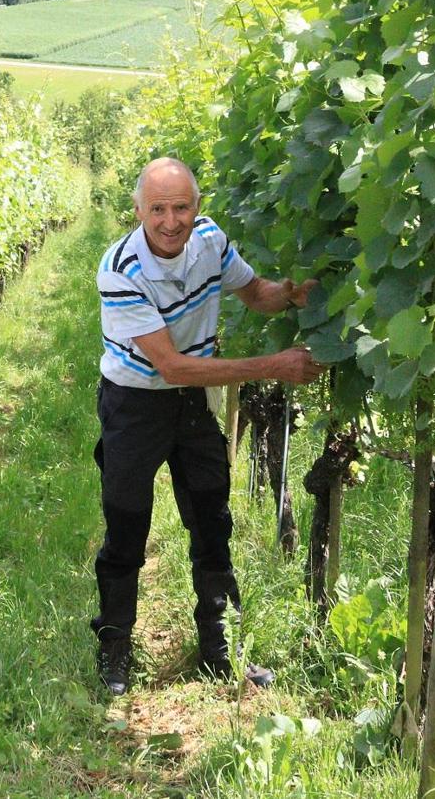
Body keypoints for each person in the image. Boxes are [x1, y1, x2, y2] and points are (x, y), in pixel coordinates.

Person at [92, 157, 325, 695]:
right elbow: (171, 367)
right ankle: (114, 646)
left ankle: (220, 648)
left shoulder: (211, 240)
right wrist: (273, 365)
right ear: (138, 211)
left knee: (211, 517)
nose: (171, 220)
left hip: (191, 404)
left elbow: (256, 293)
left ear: (199, 208)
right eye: (158, 209)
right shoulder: (120, 270)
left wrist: (290, 291)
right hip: (134, 403)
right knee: (127, 525)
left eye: (182, 207)